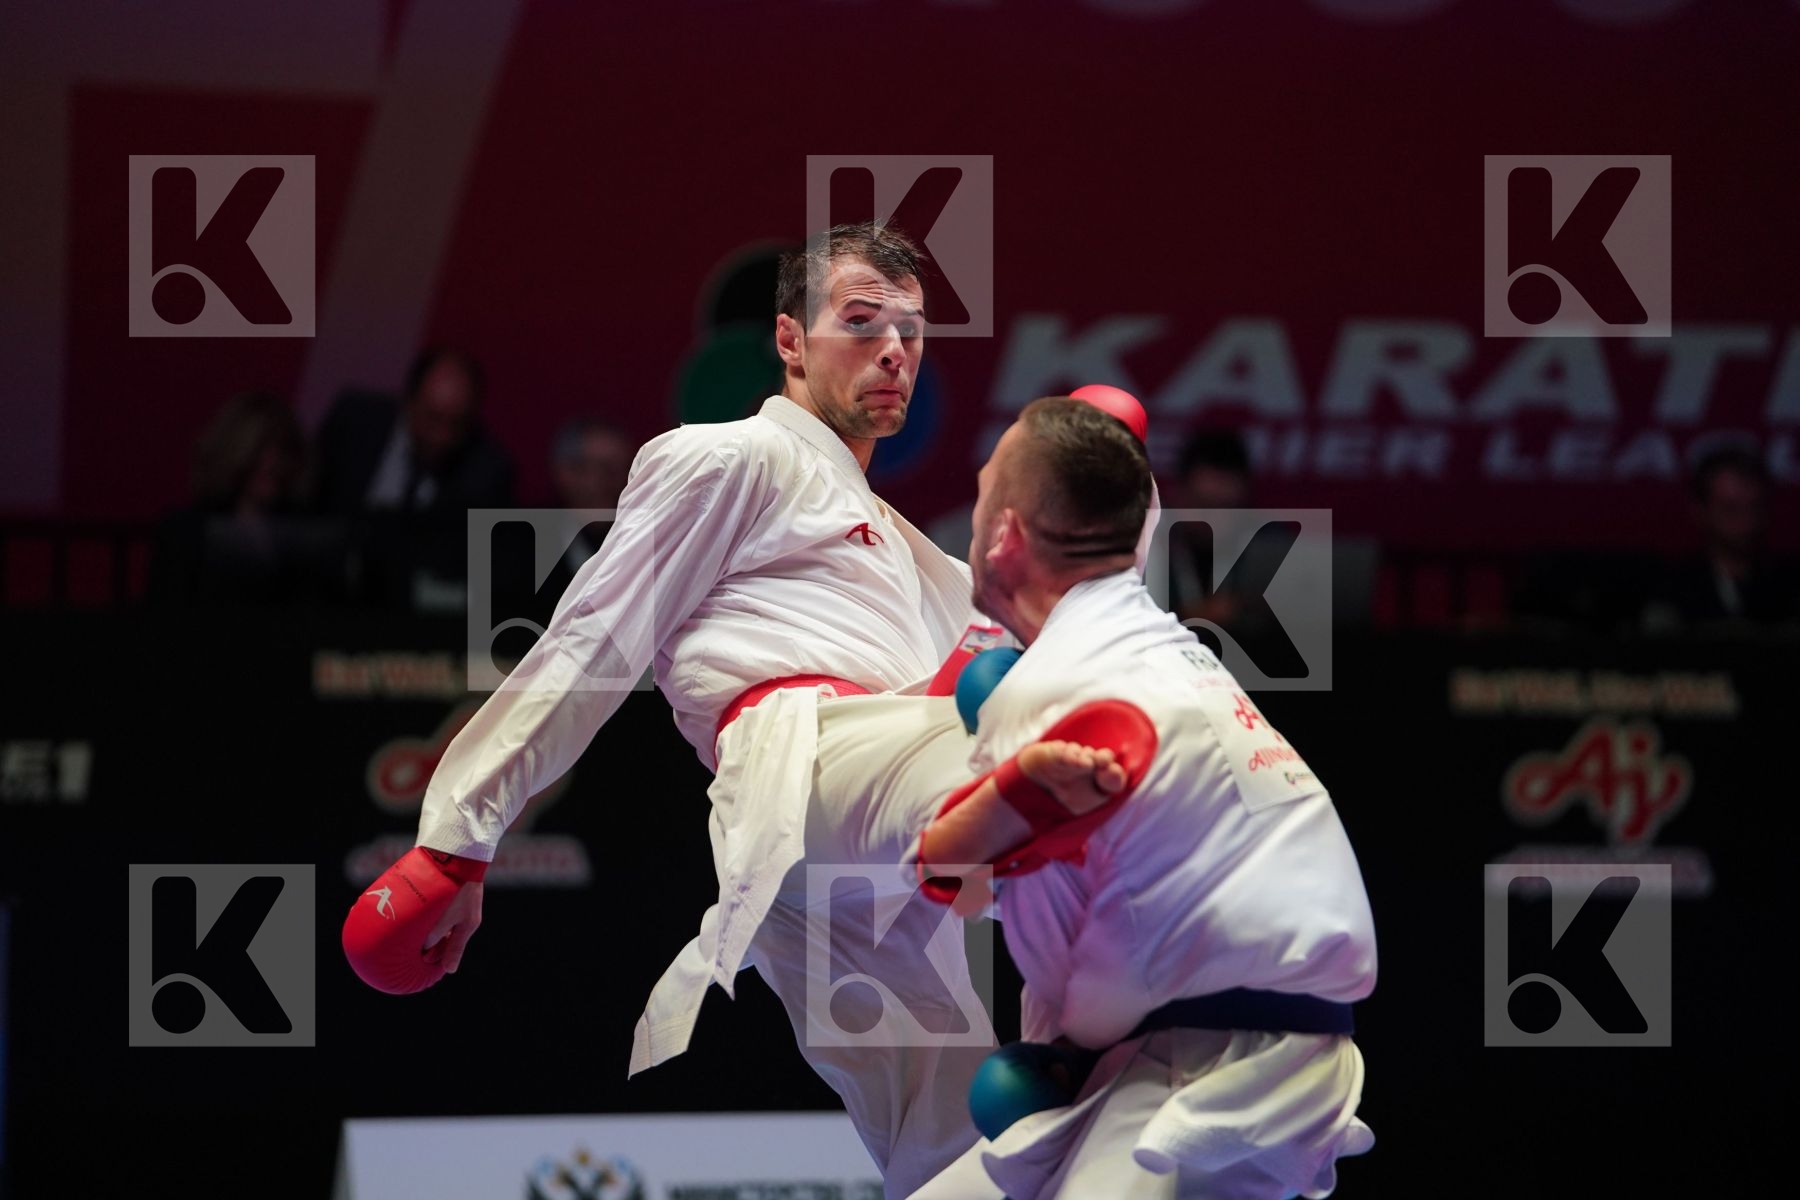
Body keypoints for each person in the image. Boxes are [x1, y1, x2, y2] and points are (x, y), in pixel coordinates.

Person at [341, 223, 998, 1197]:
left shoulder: (905, 545)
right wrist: (457, 837)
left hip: (833, 879)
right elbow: (591, 641)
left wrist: (1100, 503)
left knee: (961, 1141)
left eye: (911, 328)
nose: (893, 348)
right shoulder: (726, 457)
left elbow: (1008, 618)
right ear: (788, 339)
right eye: (861, 322)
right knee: (1100, 742)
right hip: (809, 765)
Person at [900, 398, 1376, 1199]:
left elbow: (968, 892)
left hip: (1215, 1067)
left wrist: (977, 823)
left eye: (984, 496)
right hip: (1224, 1039)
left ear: (1005, 534)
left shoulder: (1057, 690)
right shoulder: (1162, 645)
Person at [1642, 444, 1798, 631]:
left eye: (1755, 508)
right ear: (1700, 511)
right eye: (1731, 510)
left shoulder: (1789, 587)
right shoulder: (1673, 587)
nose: (1746, 522)